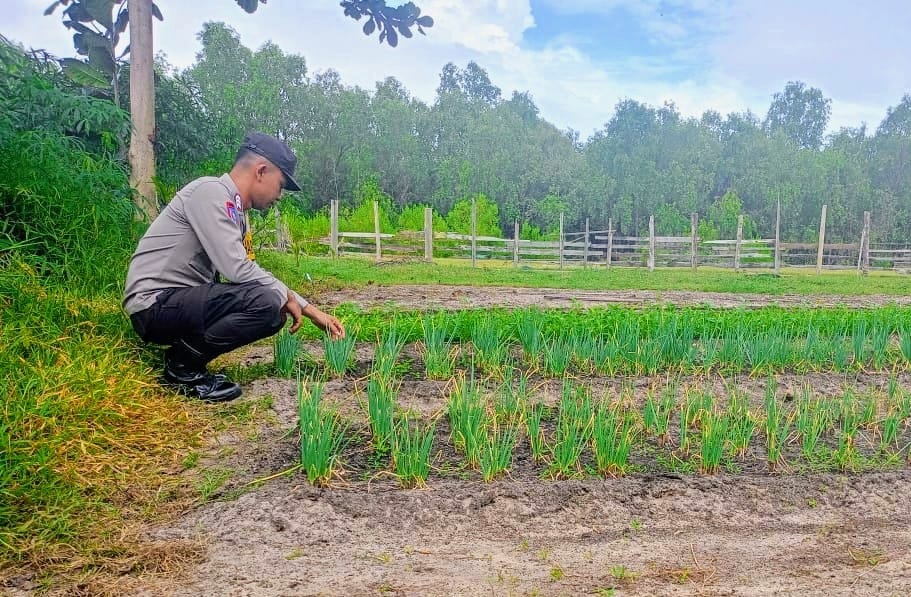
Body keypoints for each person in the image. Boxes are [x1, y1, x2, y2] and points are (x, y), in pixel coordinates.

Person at [123, 132, 345, 402]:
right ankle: (181, 367)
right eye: (281, 184)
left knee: (272, 308)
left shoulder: (235, 210)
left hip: (176, 303)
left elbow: (245, 270)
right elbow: (237, 269)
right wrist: (307, 309)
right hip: (154, 305)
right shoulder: (210, 192)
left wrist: (301, 305)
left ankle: (186, 356)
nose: (280, 195)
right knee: (266, 300)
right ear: (261, 171)